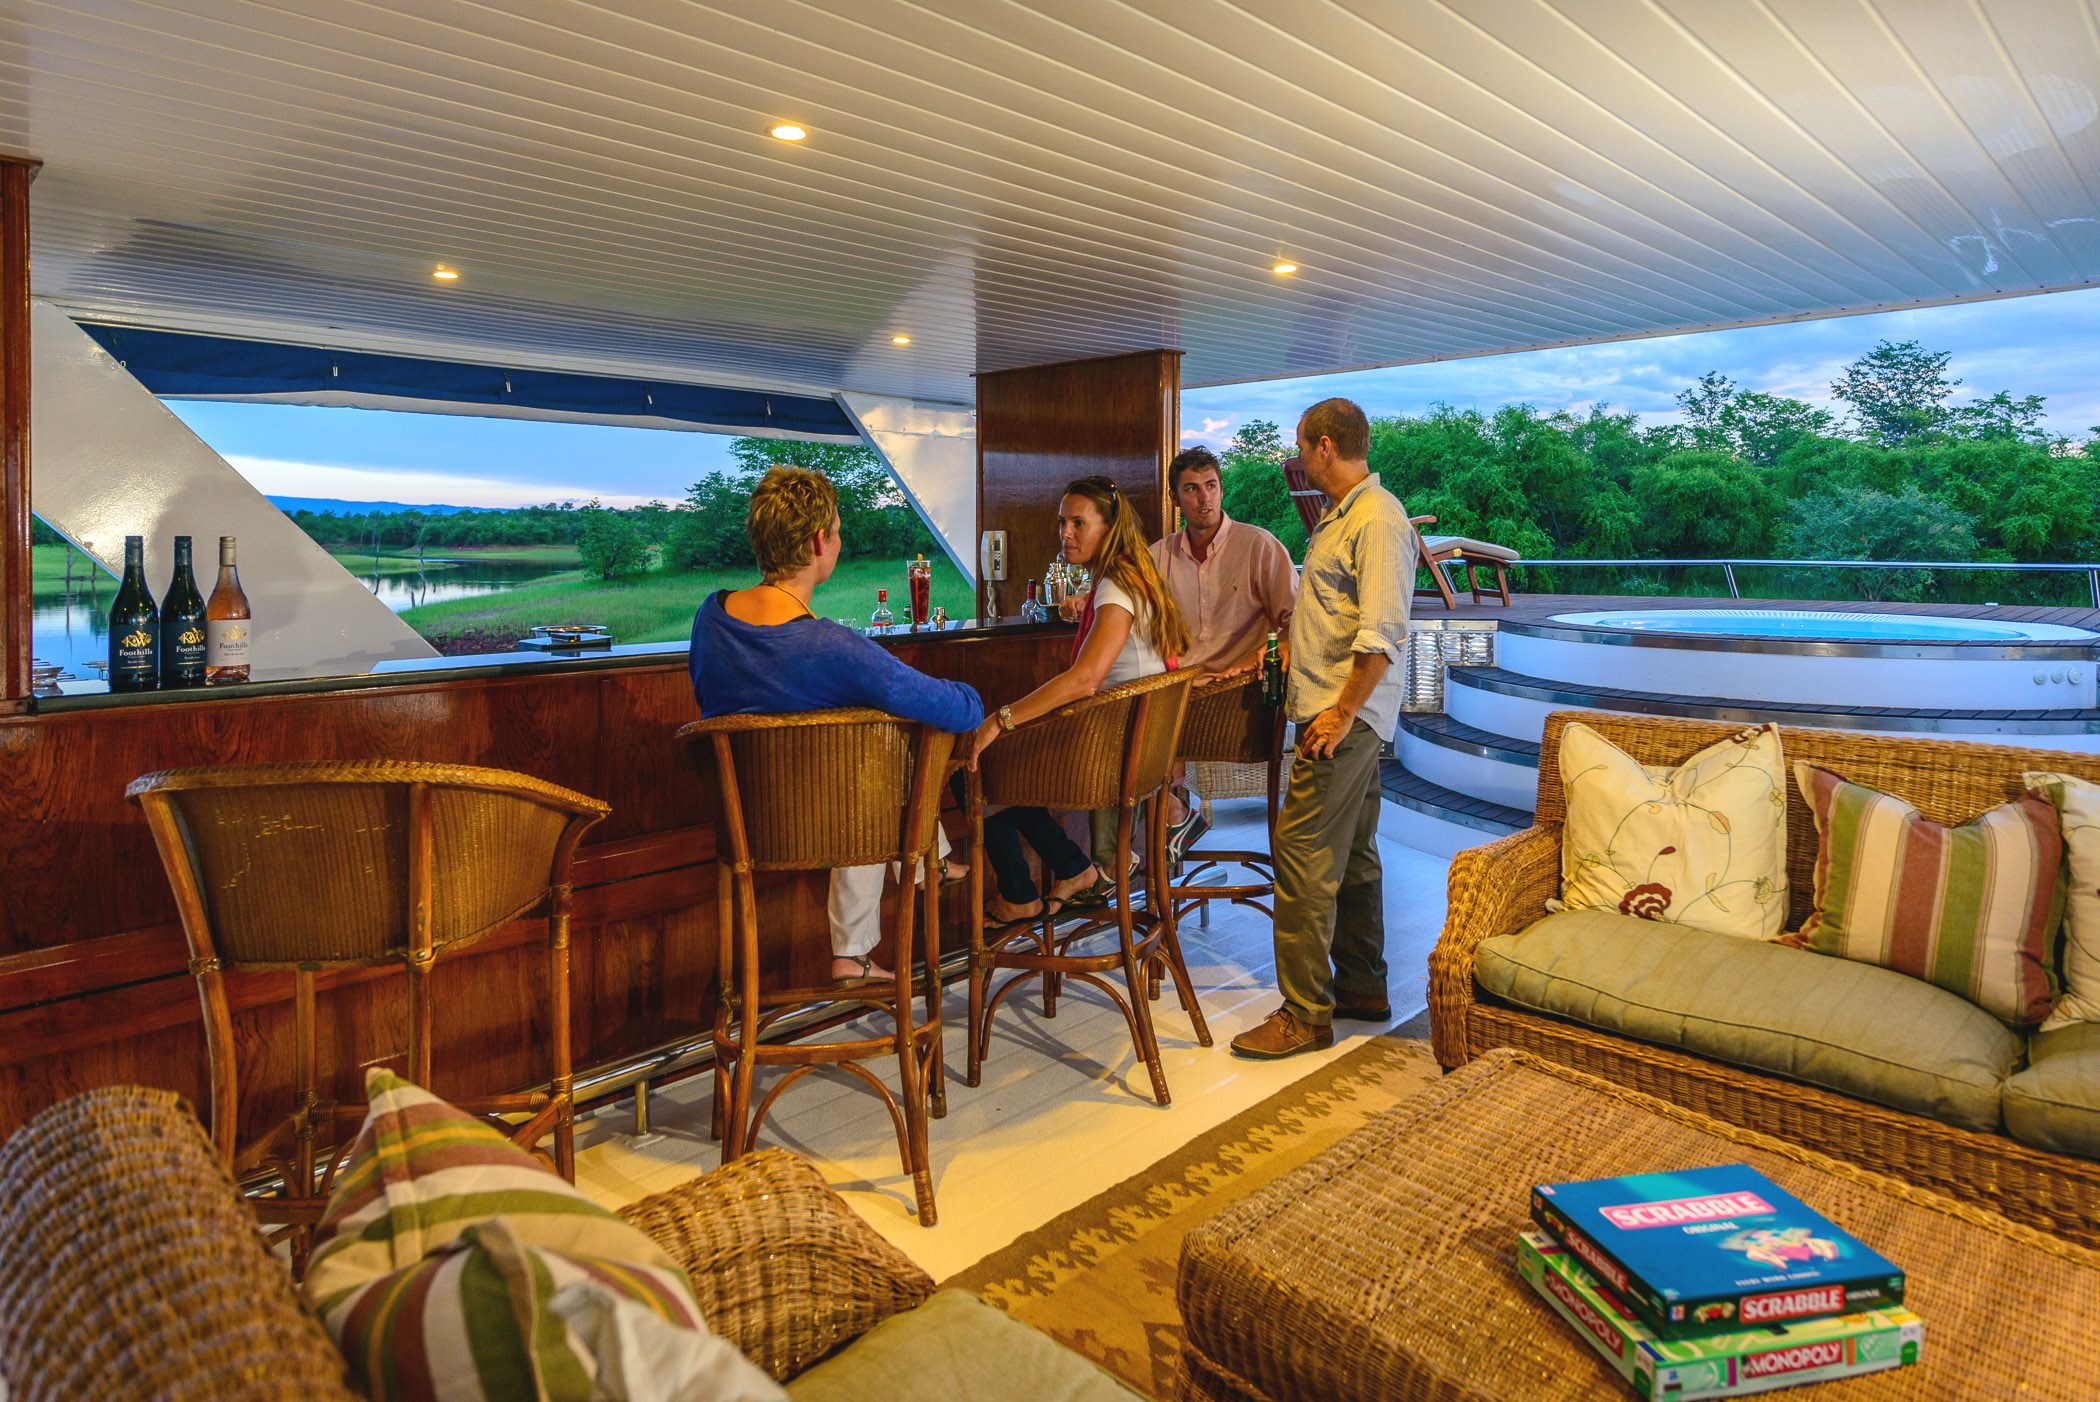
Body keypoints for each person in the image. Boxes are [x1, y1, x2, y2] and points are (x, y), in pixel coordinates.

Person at [688, 465, 982, 985]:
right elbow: (954, 709)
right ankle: (914, 878)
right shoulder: (830, 646)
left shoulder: (709, 620)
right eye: (840, 531)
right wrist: (972, 694)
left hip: (742, 825)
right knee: (874, 742)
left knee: (857, 745)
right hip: (831, 825)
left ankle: (924, 870)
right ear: (820, 540)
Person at [1230, 398, 1413, 1060]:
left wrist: (1338, 714)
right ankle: (1363, 988)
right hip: (1340, 713)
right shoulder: (1345, 517)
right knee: (1355, 856)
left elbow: (1382, 631)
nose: (1300, 458)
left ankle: (1305, 1013)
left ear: (1326, 447)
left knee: (1302, 857)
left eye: (1303, 447)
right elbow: (1338, 614)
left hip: (1343, 719)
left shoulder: (1377, 519)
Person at [968, 475, 1191, 925]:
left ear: (1109, 528)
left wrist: (1000, 719)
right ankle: (1073, 869)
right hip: (1138, 751)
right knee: (995, 763)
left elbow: (1085, 679)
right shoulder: (1133, 576)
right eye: (1061, 522)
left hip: (1109, 759)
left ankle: (1022, 894)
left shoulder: (1116, 586)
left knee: (976, 763)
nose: (1065, 533)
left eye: (1078, 523)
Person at [1150, 445, 1297, 853]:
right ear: (1175, 497)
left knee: (1142, 731)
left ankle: (1169, 820)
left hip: (1242, 702)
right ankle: (1170, 820)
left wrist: (1266, 660)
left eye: (1211, 486)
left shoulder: (1259, 546)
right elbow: (1126, 609)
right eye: (1193, 489)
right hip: (1182, 697)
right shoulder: (1159, 556)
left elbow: (1297, 619)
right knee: (1126, 725)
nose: (1205, 498)